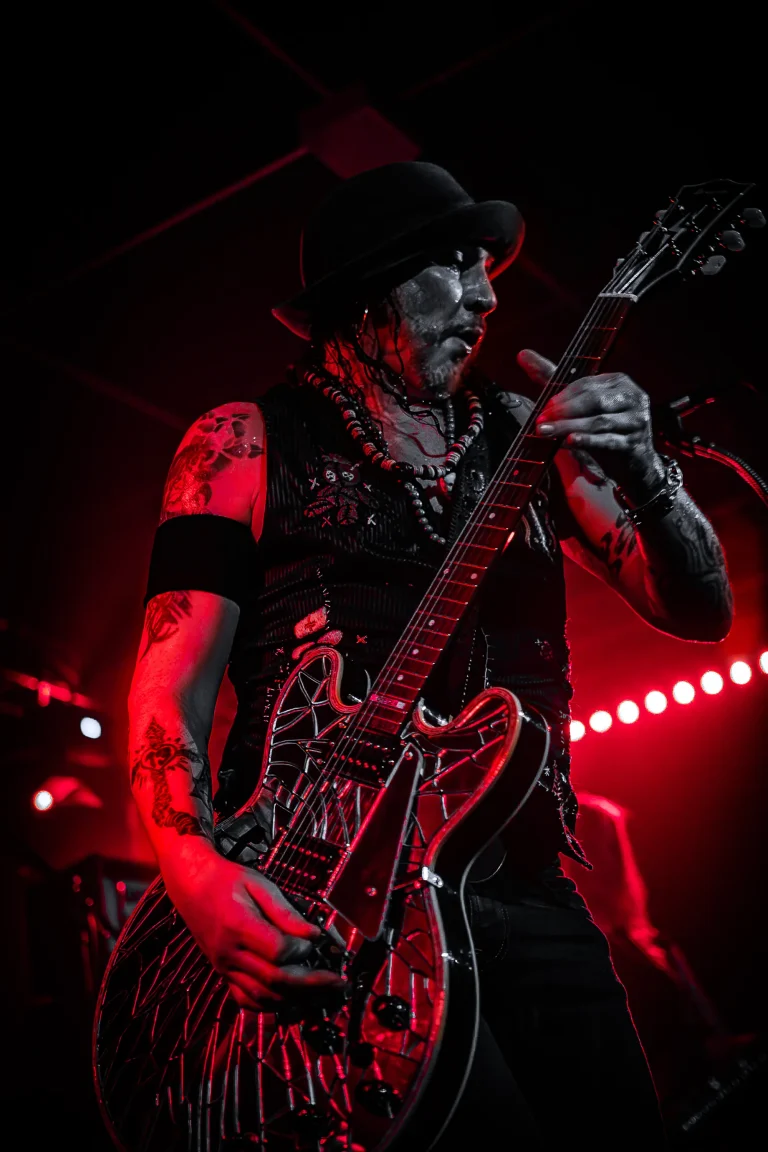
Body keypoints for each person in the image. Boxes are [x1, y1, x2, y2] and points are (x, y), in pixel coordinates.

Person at [127, 162, 733, 1148]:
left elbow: (700, 612)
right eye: (456, 263)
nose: (486, 295)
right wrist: (193, 871)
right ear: (372, 287)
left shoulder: (530, 436)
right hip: (326, 890)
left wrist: (649, 474)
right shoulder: (241, 444)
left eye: (488, 267)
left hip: (523, 880)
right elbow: (170, 688)